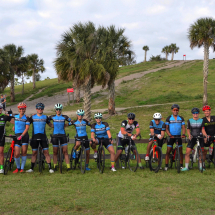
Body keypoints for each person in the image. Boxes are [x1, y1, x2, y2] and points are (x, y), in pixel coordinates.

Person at [26, 103, 54, 173]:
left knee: (46, 152)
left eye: (41, 108)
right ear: (36, 109)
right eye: (38, 108)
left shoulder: (45, 117)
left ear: (43, 109)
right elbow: (26, 124)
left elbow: (50, 125)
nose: (40, 109)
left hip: (43, 136)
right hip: (35, 137)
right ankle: (31, 168)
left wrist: (59, 125)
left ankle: (50, 168)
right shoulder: (32, 117)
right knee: (34, 153)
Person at [49, 103, 72, 171]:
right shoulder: (52, 117)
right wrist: (51, 125)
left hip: (62, 135)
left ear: (61, 110)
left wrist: (66, 125)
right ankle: (55, 166)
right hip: (55, 135)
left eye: (59, 109)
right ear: (55, 110)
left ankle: (68, 167)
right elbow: (46, 120)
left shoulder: (65, 117)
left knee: (65, 152)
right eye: (57, 109)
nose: (58, 111)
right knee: (55, 152)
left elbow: (72, 121)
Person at [165, 104, 186, 171]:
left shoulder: (181, 118)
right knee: (168, 151)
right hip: (171, 137)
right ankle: (166, 165)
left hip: (178, 136)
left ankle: (181, 165)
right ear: (172, 110)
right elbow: (166, 128)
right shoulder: (168, 118)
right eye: (174, 110)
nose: (175, 111)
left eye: (177, 110)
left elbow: (183, 127)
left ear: (178, 111)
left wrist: (183, 134)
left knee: (180, 151)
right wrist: (169, 135)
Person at [12, 102, 30, 173]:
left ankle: (22, 168)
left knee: (24, 152)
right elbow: (8, 116)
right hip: (17, 135)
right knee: (16, 153)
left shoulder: (27, 118)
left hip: (24, 136)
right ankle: (18, 167)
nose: (22, 110)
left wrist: (22, 135)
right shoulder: (15, 116)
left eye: (23, 109)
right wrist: (14, 128)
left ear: (25, 109)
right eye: (20, 109)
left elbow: (27, 128)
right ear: (18, 109)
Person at [0, 104, 14, 173]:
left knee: (1, 152)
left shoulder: (4, 117)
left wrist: (11, 115)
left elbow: (13, 121)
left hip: (1, 136)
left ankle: (1, 168)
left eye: (0, 108)